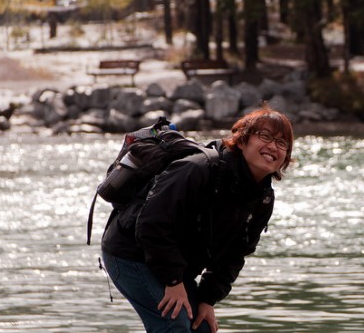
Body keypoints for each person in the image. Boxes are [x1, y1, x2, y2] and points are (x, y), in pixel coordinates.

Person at [101, 104, 294, 333]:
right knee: (174, 325)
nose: (273, 146)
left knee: (201, 327)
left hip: (171, 261)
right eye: (265, 136)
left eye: (282, 143)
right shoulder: (200, 167)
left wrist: (207, 300)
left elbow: (235, 254)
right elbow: (151, 223)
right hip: (130, 252)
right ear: (242, 141)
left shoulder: (262, 199)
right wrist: (173, 281)